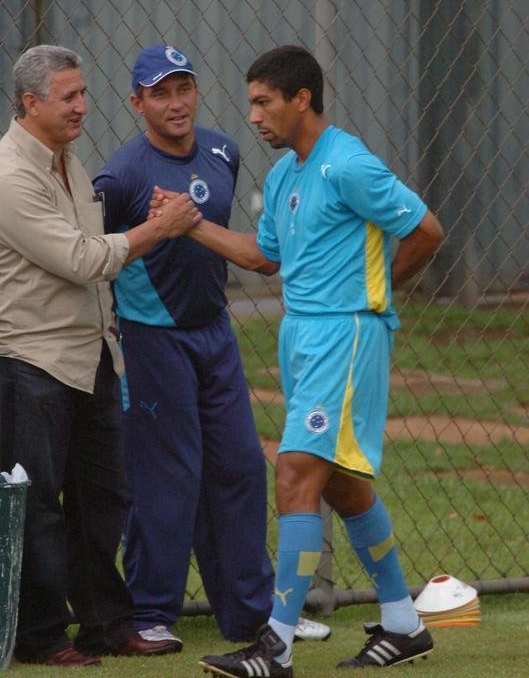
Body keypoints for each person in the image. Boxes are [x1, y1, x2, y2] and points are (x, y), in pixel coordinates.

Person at [151, 45, 445, 676]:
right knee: (339, 481)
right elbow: (263, 258)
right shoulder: (285, 175)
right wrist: (190, 225)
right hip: (302, 338)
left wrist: (377, 296)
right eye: (251, 102)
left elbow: (427, 230)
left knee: (292, 473)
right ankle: (403, 623)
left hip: (346, 337)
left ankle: (275, 646)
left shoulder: (349, 164)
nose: (253, 115)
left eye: (264, 101)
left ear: (301, 99)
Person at [93, 44, 330, 649]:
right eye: (161, 93)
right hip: (151, 340)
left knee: (242, 467)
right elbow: (101, 259)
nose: (176, 104)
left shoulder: (224, 149)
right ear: (137, 102)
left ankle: (253, 614)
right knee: (168, 474)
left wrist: (191, 224)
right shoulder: (119, 175)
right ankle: (151, 612)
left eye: (185, 89)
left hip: (214, 332)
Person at [0, 45, 202, 667]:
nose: (84, 106)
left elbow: (91, 244)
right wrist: (158, 230)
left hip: (88, 355)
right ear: (31, 103)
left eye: (84, 93)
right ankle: (39, 636)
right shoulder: (10, 175)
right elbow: (82, 259)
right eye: (70, 96)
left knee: (103, 497)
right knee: (37, 505)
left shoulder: (68, 161)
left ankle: (106, 625)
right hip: (30, 359)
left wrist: (141, 224)